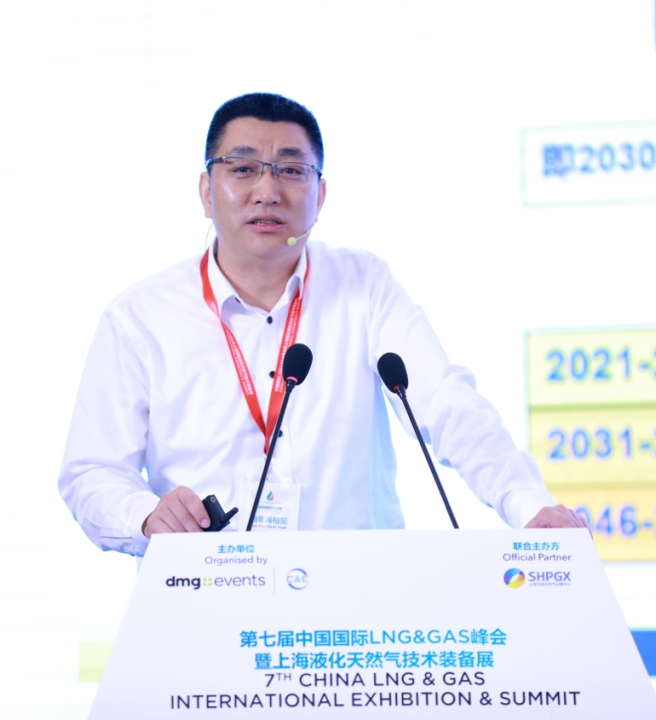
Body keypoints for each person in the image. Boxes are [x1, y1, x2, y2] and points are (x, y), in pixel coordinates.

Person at [58, 92, 585, 555]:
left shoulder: (364, 285)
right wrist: (146, 517)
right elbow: (92, 471)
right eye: (242, 169)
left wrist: (527, 506)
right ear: (205, 190)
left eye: (290, 170)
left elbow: (447, 405)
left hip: (354, 607)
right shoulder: (141, 316)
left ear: (321, 194)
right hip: (207, 603)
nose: (267, 191)